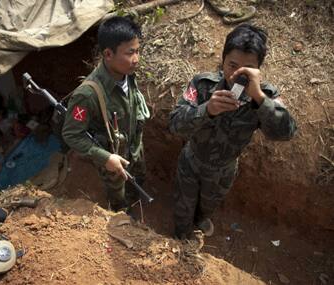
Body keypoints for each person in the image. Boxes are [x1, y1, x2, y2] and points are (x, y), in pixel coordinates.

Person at [169, 23, 297, 240]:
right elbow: (174, 124)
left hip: (223, 171)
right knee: (183, 208)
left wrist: (259, 98)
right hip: (191, 162)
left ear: (258, 69)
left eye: (246, 68)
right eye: (232, 65)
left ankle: (200, 221)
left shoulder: (266, 95)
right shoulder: (202, 84)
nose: (236, 74)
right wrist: (206, 109)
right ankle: (181, 240)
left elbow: (286, 132)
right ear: (223, 60)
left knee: (207, 207)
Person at [62, 16, 149, 212]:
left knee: (138, 180)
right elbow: (71, 134)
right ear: (108, 54)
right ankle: (124, 215)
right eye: (130, 53)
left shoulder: (127, 72)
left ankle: (136, 200)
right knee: (118, 197)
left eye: (138, 51)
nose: (136, 59)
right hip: (112, 160)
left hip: (134, 148)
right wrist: (105, 157)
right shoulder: (87, 95)